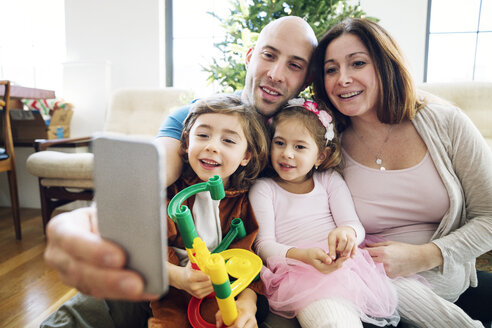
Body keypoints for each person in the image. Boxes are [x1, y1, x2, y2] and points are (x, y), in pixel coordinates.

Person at [42, 16, 317, 328]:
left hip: (251, 283)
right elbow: (152, 170)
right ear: (251, 56)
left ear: (307, 79)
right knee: (87, 307)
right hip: (168, 277)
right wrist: (100, 213)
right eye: (269, 55)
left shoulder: (301, 140)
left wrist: (250, 301)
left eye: (295, 65)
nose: (276, 73)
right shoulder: (192, 116)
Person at [310, 18, 491, 327]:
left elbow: (489, 215)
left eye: (357, 63)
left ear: (384, 65)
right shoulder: (326, 145)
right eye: (331, 69)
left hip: (450, 285)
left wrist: (426, 255)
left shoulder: (446, 123)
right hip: (372, 294)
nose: (342, 79)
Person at [249, 100, 400, 327]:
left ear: (320, 156)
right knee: (335, 322)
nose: (287, 153)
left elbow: (353, 225)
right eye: (279, 143)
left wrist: (347, 234)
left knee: (424, 303)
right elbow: (264, 245)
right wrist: (303, 256)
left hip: (351, 265)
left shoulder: (328, 180)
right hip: (300, 273)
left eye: (299, 147)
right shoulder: (264, 189)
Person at [149, 94, 269, 328]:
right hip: (171, 290)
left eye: (229, 141)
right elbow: (144, 250)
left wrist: (248, 302)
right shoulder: (171, 195)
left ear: (246, 156)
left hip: (222, 289)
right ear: (186, 143)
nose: (212, 146)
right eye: (202, 136)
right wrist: (178, 277)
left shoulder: (244, 201)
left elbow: (250, 260)